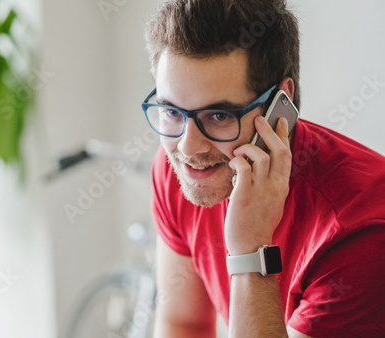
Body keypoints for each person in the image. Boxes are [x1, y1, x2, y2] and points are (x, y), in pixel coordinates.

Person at [141, 0, 385, 337]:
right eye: (171, 112)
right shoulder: (180, 171)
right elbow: (183, 324)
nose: (187, 147)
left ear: (279, 105)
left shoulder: (362, 232)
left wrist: (251, 252)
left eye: (219, 115)